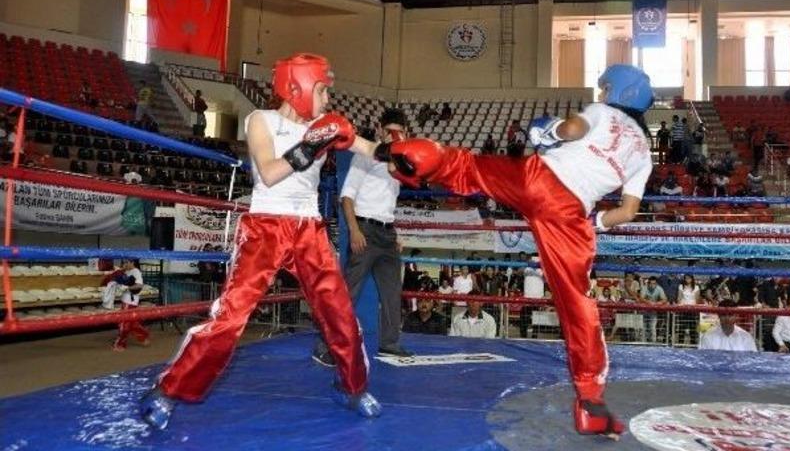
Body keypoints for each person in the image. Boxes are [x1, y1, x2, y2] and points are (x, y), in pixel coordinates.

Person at [374, 64, 654, 437]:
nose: (600, 94)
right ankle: (591, 402)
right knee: (577, 303)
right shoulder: (645, 153)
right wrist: (593, 225)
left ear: (616, 92)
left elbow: (572, 129)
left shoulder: (603, 113)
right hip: (572, 213)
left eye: (604, 88)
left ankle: (406, 157)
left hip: (539, 180)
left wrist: (551, 131)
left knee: (469, 166)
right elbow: (628, 212)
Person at [140, 53, 383, 430]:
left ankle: (353, 387)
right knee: (230, 316)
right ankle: (168, 391)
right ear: (297, 87)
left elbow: (369, 150)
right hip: (265, 226)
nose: (327, 100)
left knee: (339, 312)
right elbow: (269, 173)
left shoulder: (326, 125)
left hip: (310, 229)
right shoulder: (260, 120)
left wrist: (401, 154)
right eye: (322, 91)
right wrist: (311, 145)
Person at [312, 108, 413, 366]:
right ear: (380, 130)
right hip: (365, 231)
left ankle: (390, 343)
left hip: (387, 233)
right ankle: (326, 346)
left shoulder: (401, 164)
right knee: (348, 293)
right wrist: (355, 229)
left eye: (397, 132)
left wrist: (394, 232)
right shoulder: (366, 156)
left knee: (392, 292)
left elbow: (386, 201)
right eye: (388, 131)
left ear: (405, 134)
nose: (392, 136)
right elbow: (346, 197)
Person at [111, 259, 150, 351]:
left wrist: (127, 288)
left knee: (124, 323)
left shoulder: (136, 271)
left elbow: (139, 286)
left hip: (130, 302)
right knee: (132, 323)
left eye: (127, 262)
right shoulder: (127, 271)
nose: (125, 264)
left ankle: (120, 344)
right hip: (127, 301)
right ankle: (144, 336)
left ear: (132, 262)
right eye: (124, 262)